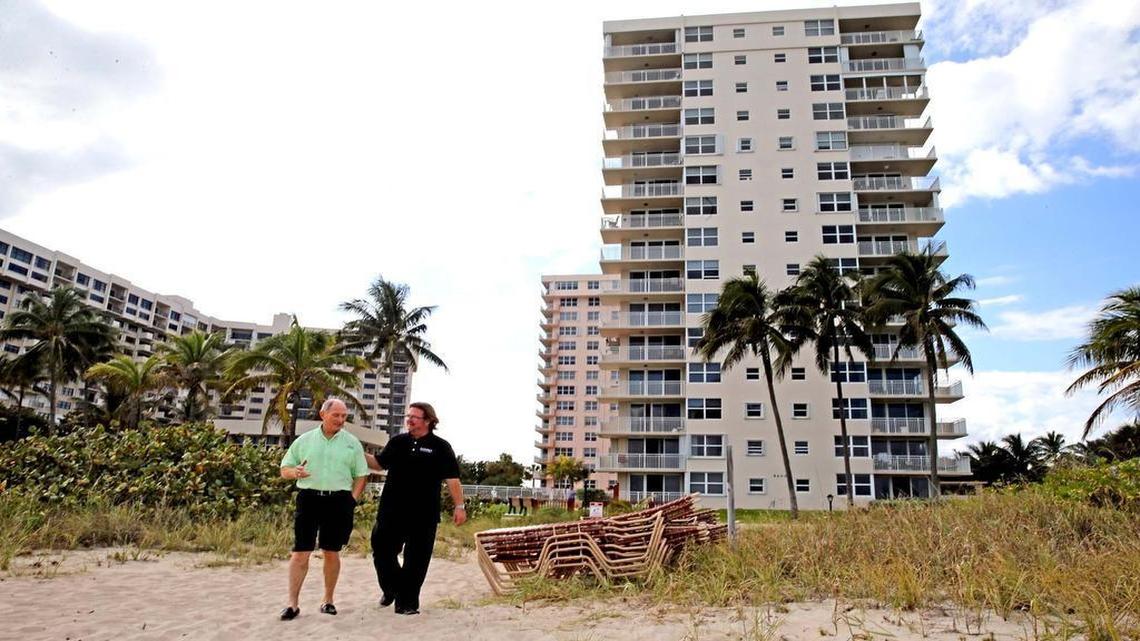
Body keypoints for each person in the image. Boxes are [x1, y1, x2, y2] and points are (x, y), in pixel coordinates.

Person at [367, 402, 465, 615]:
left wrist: (460, 506)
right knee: (382, 551)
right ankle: (391, 589)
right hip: (391, 511)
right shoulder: (398, 442)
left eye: (414, 417)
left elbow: (452, 479)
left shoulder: (441, 447)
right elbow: (378, 464)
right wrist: (356, 451)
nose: (409, 420)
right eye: (408, 416)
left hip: (424, 514)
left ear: (428, 420)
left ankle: (407, 603)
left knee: (417, 560)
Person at [278, 398, 368, 621]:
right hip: (309, 499)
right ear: (323, 414)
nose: (340, 420)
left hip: (339, 501)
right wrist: (295, 472)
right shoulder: (304, 440)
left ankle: (328, 600)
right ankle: (292, 604)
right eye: (336, 415)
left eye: (344, 416)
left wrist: (352, 500)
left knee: (331, 551)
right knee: (301, 552)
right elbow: (284, 469)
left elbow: (362, 474)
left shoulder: (352, 443)